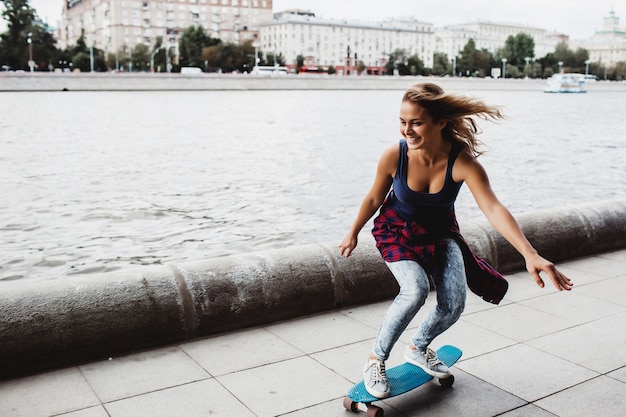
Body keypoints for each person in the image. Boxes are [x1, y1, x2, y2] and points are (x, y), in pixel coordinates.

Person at [338, 82, 573, 399]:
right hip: (397, 231)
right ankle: (375, 359)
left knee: (454, 304)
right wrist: (352, 231)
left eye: (416, 122)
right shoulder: (395, 155)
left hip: (440, 234)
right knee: (415, 289)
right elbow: (374, 197)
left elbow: (492, 207)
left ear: (440, 122)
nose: (407, 130)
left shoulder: (462, 162)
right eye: (402, 121)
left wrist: (529, 253)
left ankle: (418, 347)